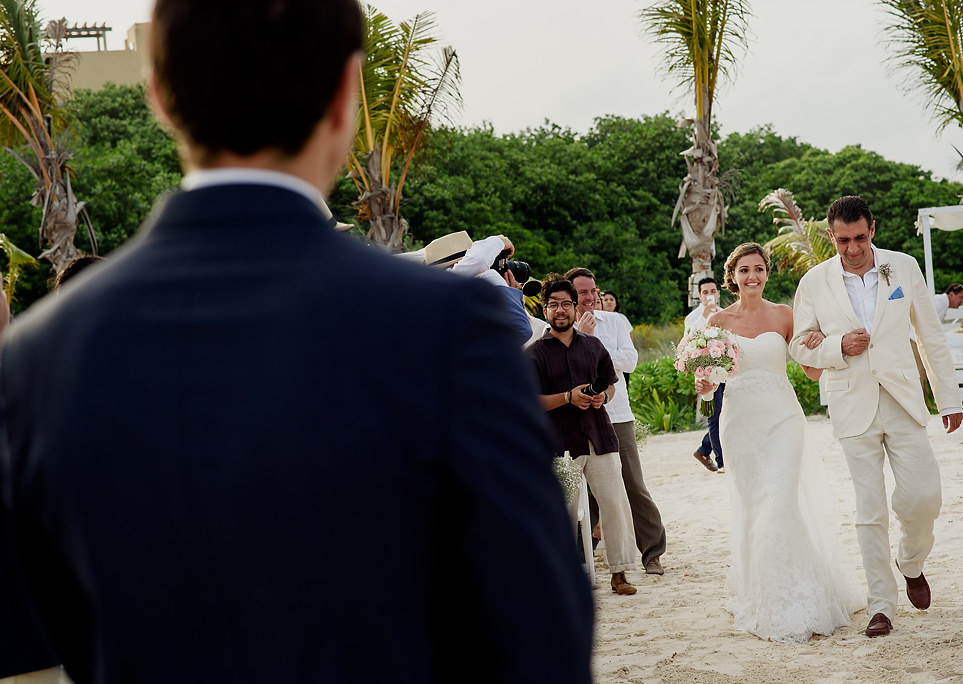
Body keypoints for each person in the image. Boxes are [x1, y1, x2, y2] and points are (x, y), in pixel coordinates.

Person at [0, 2, 594, 682]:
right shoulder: (449, 326)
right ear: (346, 93)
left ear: (159, 95)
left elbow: (38, 632)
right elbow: (540, 631)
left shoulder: (39, 353)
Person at [789, 195, 963, 639]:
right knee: (869, 511)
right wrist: (836, 347)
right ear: (830, 236)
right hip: (851, 403)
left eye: (860, 238)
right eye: (843, 240)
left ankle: (911, 561)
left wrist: (949, 399)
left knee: (925, 495)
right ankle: (881, 605)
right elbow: (800, 345)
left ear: (873, 230)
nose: (852, 248)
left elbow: (930, 334)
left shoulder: (902, 266)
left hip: (904, 399)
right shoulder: (813, 281)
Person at [693, 243, 863, 642]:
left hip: (783, 419)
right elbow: (706, 385)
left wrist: (826, 342)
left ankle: (797, 597)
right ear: (731, 275)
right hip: (739, 424)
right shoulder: (717, 320)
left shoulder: (785, 315)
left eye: (759, 269)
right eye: (744, 270)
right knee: (755, 509)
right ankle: (764, 593)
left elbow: (810, 372)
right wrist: (703, 385)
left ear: (767, 273)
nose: (753, 276)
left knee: (779, 503)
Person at [526, 274, 641, 595]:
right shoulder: (535, 354)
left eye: (566, 304)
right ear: (545, 309)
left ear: (576, 308)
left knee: (615, 504)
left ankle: (619, 573)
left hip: (600, 436)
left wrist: (602, 397)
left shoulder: (594, 346)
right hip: (559, 445)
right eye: (553, 305)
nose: (560, 310)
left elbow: (612, 383)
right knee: (562, 511)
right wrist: (567, 397)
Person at [566, 268, 667, 576]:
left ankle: (652, 552)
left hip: (618, 414)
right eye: (582, 292)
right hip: (577, 418)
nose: (589, 297)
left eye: (593, 290)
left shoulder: (616, 321)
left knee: (633, 484)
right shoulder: (559, 326)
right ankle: (582, 554)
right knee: (582, 490)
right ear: (571, 296)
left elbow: (629, 361)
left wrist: (592, 342)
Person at [684, 277, 725, 472]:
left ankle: (703, 449)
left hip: (727, 371)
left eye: (713, 291)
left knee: (728, 415)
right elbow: (688, 344)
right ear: (699, 295)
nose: (710, 295)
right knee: (715, 416)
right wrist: (705, 317)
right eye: (705, 292)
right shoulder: (693, 318)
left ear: (718, 293)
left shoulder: (727, 313)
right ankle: (722, 460)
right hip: (706, 375)